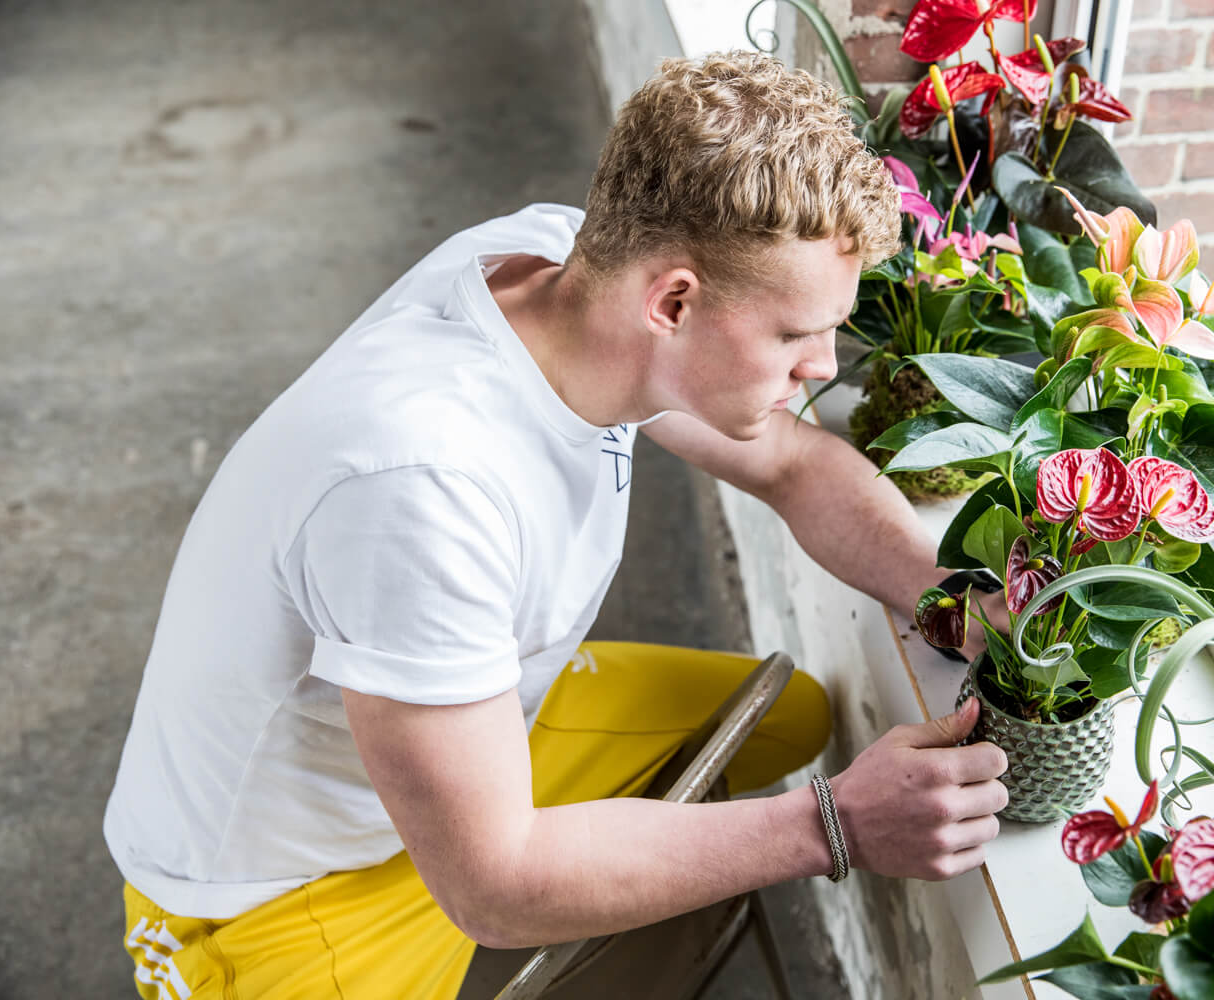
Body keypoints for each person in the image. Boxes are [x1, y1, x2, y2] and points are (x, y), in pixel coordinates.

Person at [105, 50, 1009, 999]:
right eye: (794, 335)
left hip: (458, 749)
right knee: (547, 876)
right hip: (279, 891)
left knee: (789, 723)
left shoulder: (572, 270)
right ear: (674, 301)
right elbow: (493, 887)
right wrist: (835, 827)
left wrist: (954, 602)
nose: (824, 367)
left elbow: (789, 462)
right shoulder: (424, 484)